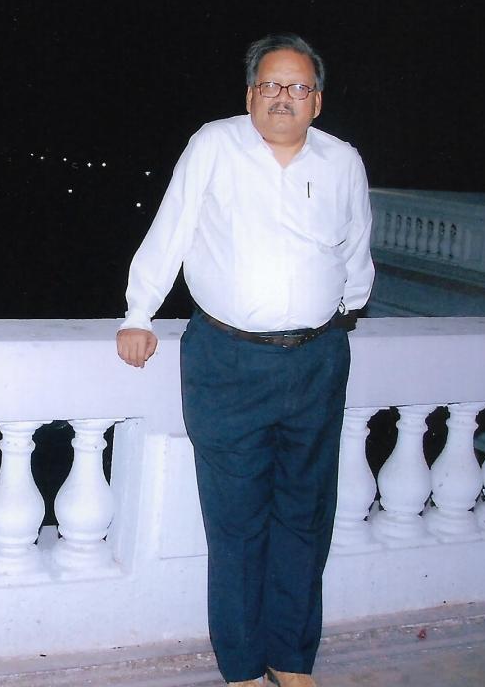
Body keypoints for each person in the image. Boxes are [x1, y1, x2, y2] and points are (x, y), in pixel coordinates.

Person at [116, 33, 375, 687]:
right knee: (235, 523)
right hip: (227, 362)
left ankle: (291, 658)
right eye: (269, 85)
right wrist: (139, 314)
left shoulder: (342, 161)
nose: (282, 97)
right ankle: (241, 667)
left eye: (297, 87)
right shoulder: (214, 144)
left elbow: (356, 250)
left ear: (317, 100)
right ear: (250, 95)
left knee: (305, 518)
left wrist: (341, 313)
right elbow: (171, 228)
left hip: (316, 362)